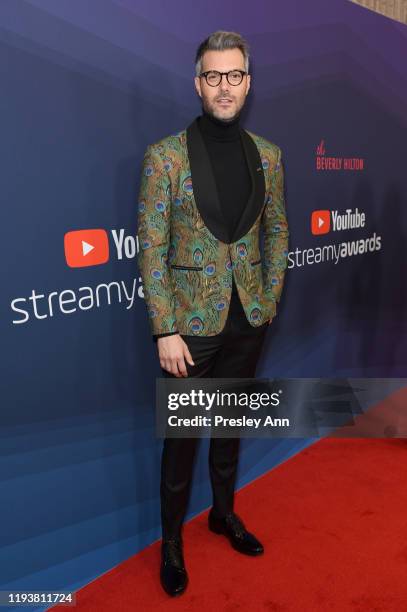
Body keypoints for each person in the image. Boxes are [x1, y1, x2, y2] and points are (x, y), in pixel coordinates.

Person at [137, 30, 289, 597]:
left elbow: (277, 231)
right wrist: (164, 327)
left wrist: (268, 297)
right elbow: (151, 246)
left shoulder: (269, 156)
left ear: (248, 83)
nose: (224, 87)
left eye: (234, 76)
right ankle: (172, 542)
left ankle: (223, 514)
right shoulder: (165, 157)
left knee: (229, 429)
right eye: (212, 76)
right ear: (197, 83)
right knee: (182, 438)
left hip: (248, 318)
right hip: (188, 329)